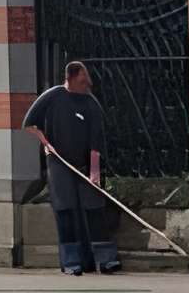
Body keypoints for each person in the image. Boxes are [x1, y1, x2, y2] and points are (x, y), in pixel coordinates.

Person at [24, 61, 121, 276]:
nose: (87, 85)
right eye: (82, 81)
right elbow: (30, 124)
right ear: (70, 78)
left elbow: (97, 142)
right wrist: (46, 144)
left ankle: (105, 260)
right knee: (65, 211)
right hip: (59, 163)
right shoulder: (52, 97)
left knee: (94, 209)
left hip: (85, 164)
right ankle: (71, 261)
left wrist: (94, 173)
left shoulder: (91, 104)